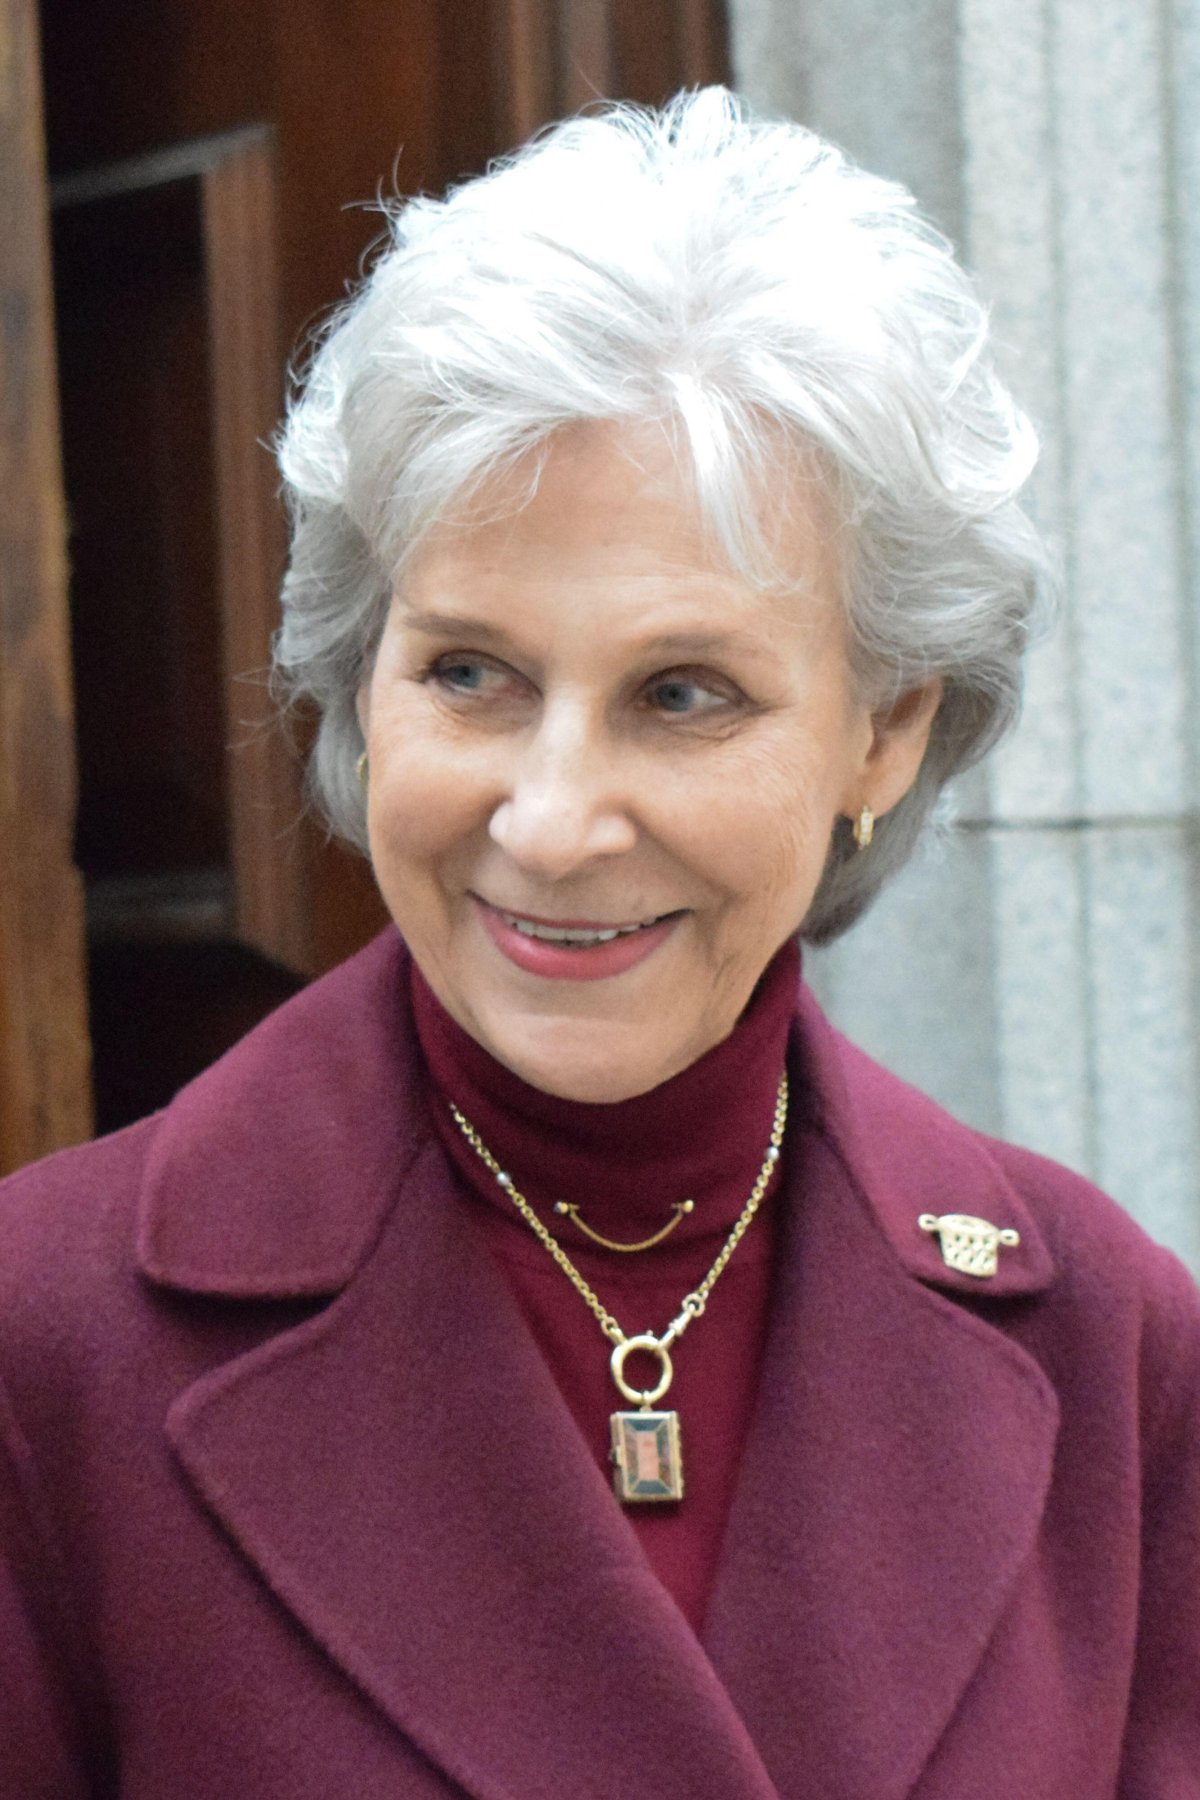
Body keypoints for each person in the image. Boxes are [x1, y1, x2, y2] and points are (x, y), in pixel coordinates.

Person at [2, 87, 1197, 1800]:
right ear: (362, 680)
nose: (554, 823)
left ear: (884, 730)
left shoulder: (1109, 1344)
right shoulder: (44, 1342)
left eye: (683, 693)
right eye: (470, 673)